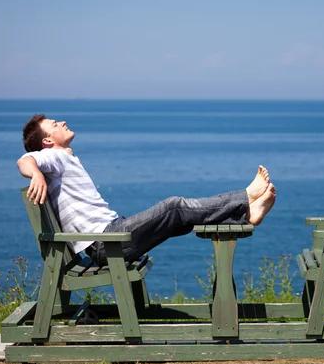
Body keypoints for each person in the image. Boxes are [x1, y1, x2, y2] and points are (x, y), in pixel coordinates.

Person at [17, 114, 276, 266]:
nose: (62, 121)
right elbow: (24, 161)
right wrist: (37, 173)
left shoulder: (66, 159)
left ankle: (245, 214)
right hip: (106, 243)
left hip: (110, 237)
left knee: (180, 220)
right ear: (47, 141)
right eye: (54, 124)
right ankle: (245, 197)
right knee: (174, 206)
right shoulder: (53, 158)